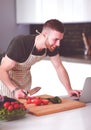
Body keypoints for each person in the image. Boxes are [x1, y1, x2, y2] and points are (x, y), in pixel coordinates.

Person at [0, 19, 81, 99]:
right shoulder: (21, 42)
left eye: (60, 40)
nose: (58, 44)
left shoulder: (51, 46)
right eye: (55, 39)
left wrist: (69, 90)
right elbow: (2, 70)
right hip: (7, 80)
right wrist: (14, 90)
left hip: (24, 80)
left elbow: (59, 67)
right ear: (44, 35)